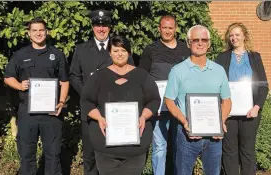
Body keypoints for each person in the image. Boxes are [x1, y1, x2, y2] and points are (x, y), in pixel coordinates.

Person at [80, 35, 161, 175]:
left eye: (123, 50)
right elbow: (86, 101)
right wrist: (99, 117)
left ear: (129, 53)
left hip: (135, 147)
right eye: (116, 51)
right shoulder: (98, 77)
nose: (120, 54)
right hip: (105, 146)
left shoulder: (142, 75)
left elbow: (154, 99)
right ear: (109, 52)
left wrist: (143, 116)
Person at [69, 9, 134, 175]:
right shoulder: (81, 49)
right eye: (98, 25)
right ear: (92, 27)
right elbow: (74, 76)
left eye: (104, 25)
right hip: (90, 111)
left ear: (110, 27)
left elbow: (132, 74)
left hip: (115, 110)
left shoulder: (119, 48)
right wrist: (89, 94)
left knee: (113, 156)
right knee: (90, 156)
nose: (101, 29)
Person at [4, 17, 69, 175]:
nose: (38, 33)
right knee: (27, 155)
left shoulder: (56, 54)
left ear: (46, 32)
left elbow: (65, 81)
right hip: (27, 112)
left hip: (51, 112)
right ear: (29, 33)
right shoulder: (20, 55)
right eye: (34, 30)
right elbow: (8, 77)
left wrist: (61, 102)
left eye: (41, 30)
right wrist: (19, 85)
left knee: (53, 155)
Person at [164, 25, 232, 175]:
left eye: (204, 40)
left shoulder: (219, 70)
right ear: (189, 43)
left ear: (209, 44)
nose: (200, 43)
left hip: (214, 136)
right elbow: (169, 101)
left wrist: (221, 122)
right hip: (186, 133)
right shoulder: (177, 70)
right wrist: (185, 121)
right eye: (196, 40)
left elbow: (226, 101)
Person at [138, 14, 190, 175]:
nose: (167, 31)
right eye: (164, 27)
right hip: (159, 110)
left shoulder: (185, 50)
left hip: (180, 109)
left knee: (179, 147)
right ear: (159, 28)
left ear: (176, 29)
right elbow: (142, 79)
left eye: (170, 28)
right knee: (160, 148)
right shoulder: (150, 50)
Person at [215, 22, 269, 175]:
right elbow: (216, 86)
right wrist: (221, 111)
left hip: (250, 113)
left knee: (247, 151)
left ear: (244, 36)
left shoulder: (255, 57)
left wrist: (257, 107)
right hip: (229, 113)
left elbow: (263, 86)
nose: (234, 38)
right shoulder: (222, 58)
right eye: (231, 35)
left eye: (237, 34)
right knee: (229, 151)